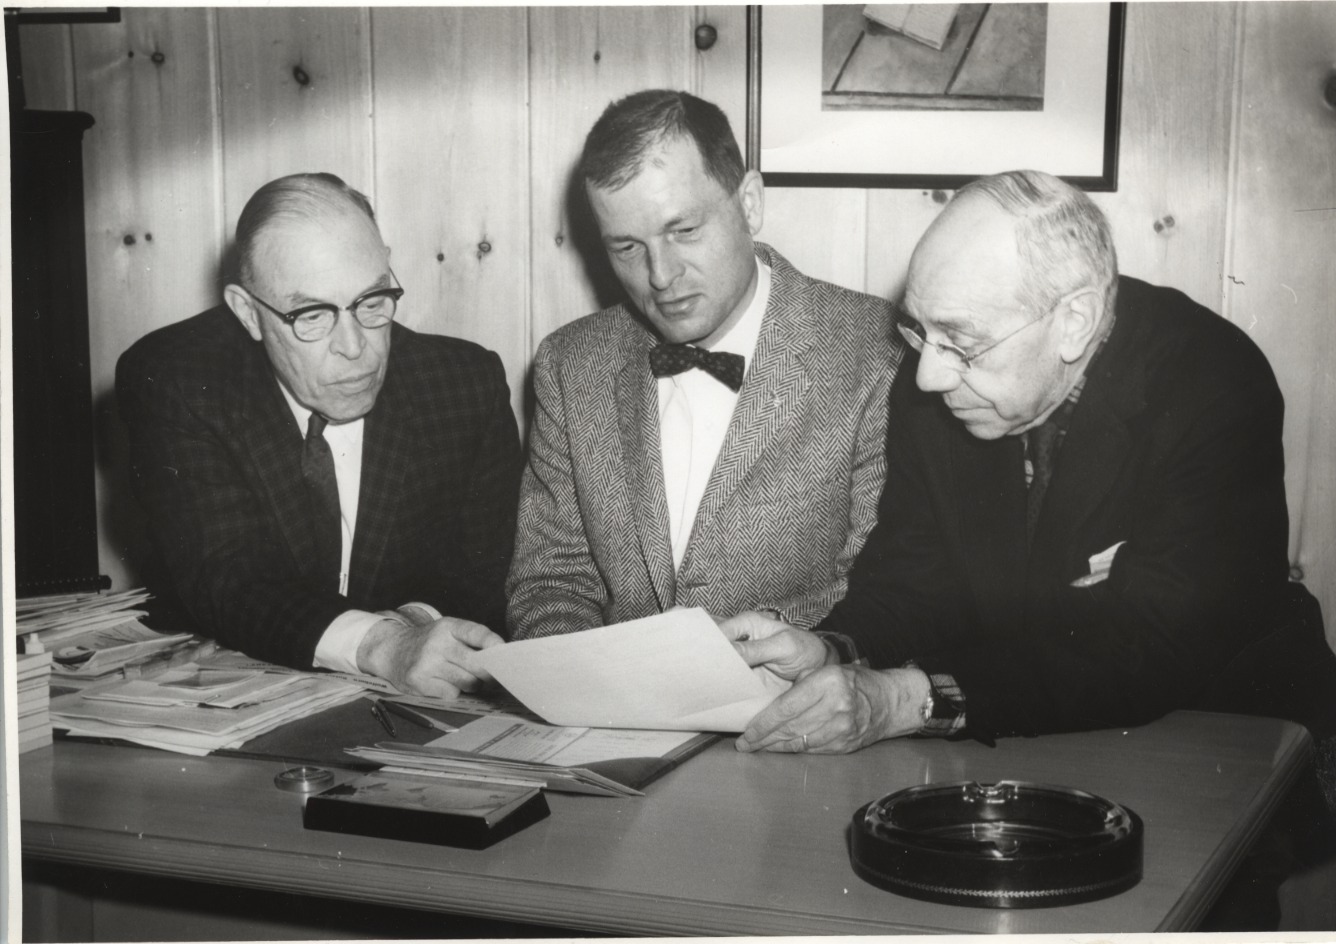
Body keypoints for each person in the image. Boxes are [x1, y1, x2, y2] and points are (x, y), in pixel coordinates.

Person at [731, 169, 1336, 756]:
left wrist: (905, 701)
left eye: (962, 343)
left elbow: (1156, 644)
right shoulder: (941, 379)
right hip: (1022, 728)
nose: (927, 375)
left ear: (1074, 322)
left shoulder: (1212, 383)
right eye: (919, 331)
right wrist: (833, 649)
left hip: (1230, 734)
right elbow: (913, 580)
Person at [506, 89, 901, 639]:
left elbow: (880, 581)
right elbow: (551, 581)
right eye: (627, 248)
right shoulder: (569, 366)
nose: (661, 275)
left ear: (750, 203)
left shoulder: (874, 350)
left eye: (684, 231)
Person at [117, 173, 522, 697]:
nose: (354, 347)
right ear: (248, 312)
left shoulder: (463, 385)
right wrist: (381, 644)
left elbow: (488, 573)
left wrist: (415, 627)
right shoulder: (178, 379)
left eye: (371, 300)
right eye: (311, 314)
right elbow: (230, 576)